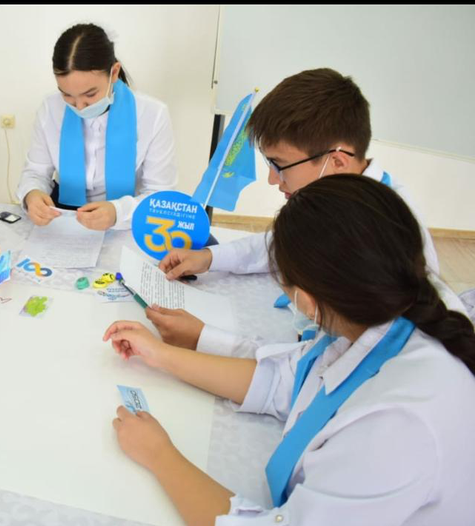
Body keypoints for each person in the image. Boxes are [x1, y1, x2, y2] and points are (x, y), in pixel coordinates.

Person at [104, 175, 475, 526]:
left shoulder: (397, 428)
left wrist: (160, 455)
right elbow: (286, 381)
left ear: (307, 300)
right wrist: (162, 355)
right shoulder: (376, 317)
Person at [150, 68, 443, 350]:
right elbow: (278, 244)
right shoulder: (339, 199)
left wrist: (206, 340)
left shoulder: (390, 233)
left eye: (280, 164)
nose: (272, 179)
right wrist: (210, 257)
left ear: (337, 161)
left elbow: (324, 363)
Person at [17, 23, 177, 231]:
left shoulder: (153, 114)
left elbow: (160, 196)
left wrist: (118, 212)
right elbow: (35, 172)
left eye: (90, 94)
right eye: (67, 95)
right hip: (63, 218)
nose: (79, 107)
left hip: (127, 220)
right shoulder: (50, 108)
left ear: (114, 73)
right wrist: (32, 194)